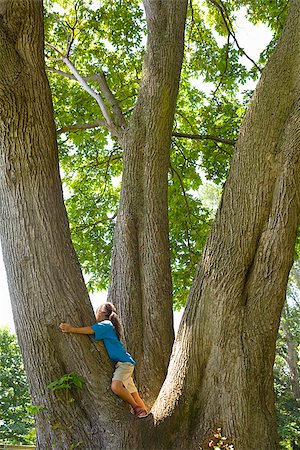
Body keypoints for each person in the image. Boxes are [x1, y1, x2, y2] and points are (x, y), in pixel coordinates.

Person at [59, 302, 148, 418]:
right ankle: (145, 413)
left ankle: (137, 408)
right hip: (124, 363)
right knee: (133, 393)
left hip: (124, 363)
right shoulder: (109, 326)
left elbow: (89, 330)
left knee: (116, 387)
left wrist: (72, 329)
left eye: (97, 311)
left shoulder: (106, 324)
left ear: (101, 313)